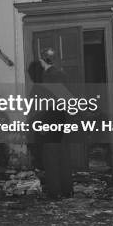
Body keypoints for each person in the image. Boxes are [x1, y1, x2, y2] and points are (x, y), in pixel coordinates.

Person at [38, 47, 74, 199]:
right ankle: (67, 190)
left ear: (42, 60)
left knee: (51, 158)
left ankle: (55, 192)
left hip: (52, 120)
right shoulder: (62, 75)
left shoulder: (48, 77)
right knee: (64, 157)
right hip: (64, 121)